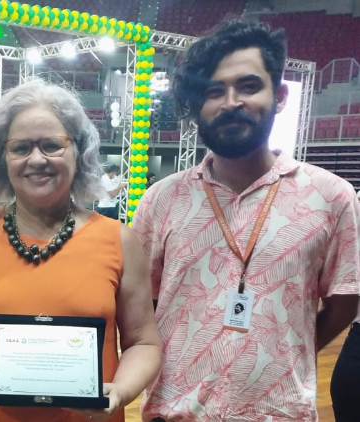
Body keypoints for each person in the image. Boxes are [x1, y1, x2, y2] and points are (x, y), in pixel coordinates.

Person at [131, 20, 360, 422]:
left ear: (281, 95)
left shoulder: (331, 196)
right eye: (213, 91)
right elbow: (142, 307)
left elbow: (345, 299)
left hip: (278, 414)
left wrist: (284, 356)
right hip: (175, 413)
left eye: (248, 86)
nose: (230, 102)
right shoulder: (162, 199)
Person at [0, 79, 162, 422]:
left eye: (51, 145)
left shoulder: (120, 241)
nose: (37, 159)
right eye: (21, 147)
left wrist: (120, 391)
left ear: (78, 150)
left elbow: (144, 343)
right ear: (2, 157)